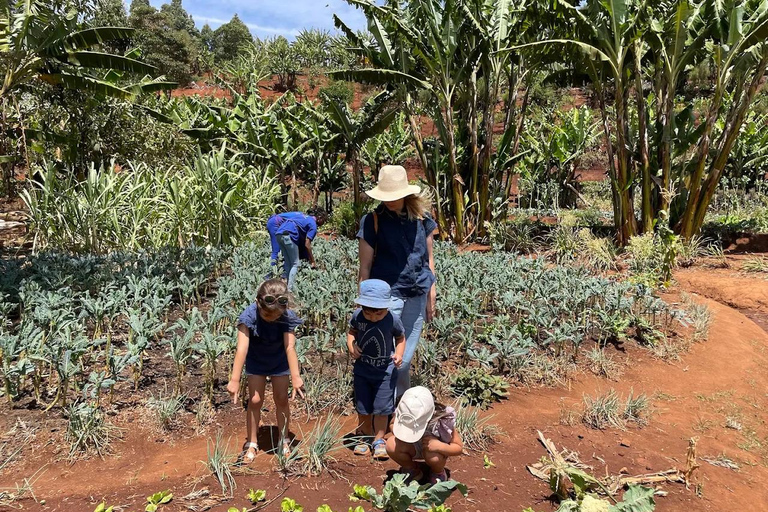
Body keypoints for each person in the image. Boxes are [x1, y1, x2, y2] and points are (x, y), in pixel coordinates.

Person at [358, 165, 437, 398]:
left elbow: (429, 259)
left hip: (417, 293)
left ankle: (400, 404)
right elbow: (365, 267)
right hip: (387, 296)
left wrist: (432, 292)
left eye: (393, 196)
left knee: (404, 358)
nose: (389, 202)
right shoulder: (372, 221)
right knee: (388, 355)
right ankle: (385, 408)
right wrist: (362, 304)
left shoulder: (423, 219)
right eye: (386, 196)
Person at [227, 279, 305, 463]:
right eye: (267, 315)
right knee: (255, 400)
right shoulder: (248, 316)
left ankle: (284, 439)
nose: (272, 319)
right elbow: (242, 349)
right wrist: (235, 379)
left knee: (281, 398)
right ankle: (252, 442)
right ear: (257, 303)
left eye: (276, 316)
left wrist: (296, 376)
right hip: (257, 361)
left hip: (279, 361)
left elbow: (290, 348)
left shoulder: (286, 315)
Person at [347, 279, 406, 460]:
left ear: (387, 308)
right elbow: (351, 332)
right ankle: (364, 436)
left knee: (382, 408)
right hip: (363, 370)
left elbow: (401, 338)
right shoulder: (358, 316)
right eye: (368, 312)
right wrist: (351, 346)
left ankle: (379, 439)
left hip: (385, 373)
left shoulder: (392, 319)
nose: (373, 317)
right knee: (363, 406)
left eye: (378, 313)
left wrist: (398, 354)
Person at [385, 386, 462, 484]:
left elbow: (458, 447)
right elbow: (392, 424)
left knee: (434, 457)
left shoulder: (443, 420)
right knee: (391, 445)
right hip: (412, 447)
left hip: (434, 450)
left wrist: (440, 446)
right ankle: (413, 469)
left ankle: (438, 472)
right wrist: (402, 432)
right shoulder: (404, 413)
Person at [267, 209, 328, 290]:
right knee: (295, 264)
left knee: (288, 262)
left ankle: (284, 280)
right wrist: (312, 260)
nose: (324, 223)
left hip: (279, 232)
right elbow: (307, 244)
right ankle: (290, 289)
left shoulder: (302, 217)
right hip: (284, 231)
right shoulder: (313, 225)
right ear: (320, 218)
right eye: (324, 220)